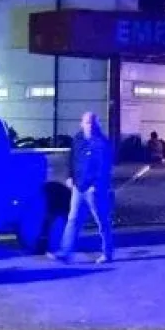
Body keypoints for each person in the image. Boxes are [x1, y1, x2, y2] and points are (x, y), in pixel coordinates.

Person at [50, 112, 113, 264]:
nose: (89, 126)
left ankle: (107, 253)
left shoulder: (102, 143)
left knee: (102, 221)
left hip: (95, 190)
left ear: (97, 124)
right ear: (82, 124)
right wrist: (70, 176)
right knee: (73, 219)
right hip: (78, 187)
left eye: (92, 123)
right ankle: (66, 252)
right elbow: (72, 158)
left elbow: (104, 168)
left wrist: (96, 185)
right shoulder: (78, 139)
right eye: (87, 122)